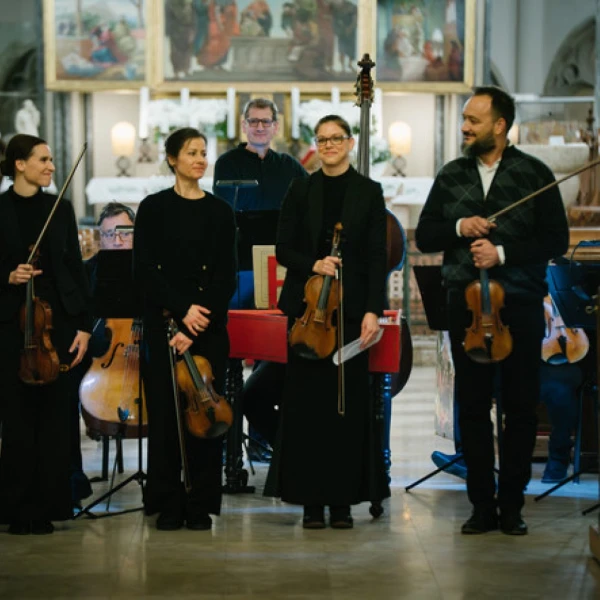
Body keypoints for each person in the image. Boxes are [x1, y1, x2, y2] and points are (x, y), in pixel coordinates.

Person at [415, 86, 569, 536]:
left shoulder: (534, 173)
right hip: (465, 307)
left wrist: (501, 253)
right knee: (472, 405)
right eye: (464, 119)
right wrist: (460, 226)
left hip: (518, 305)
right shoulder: (451, 175)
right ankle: (481, 505)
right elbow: (426, 235)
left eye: (474, 120)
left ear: (500, 126)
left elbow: (555, 240)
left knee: (520, 406)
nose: (465, 127)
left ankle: (512, 504)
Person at [264, 114, 390, 529]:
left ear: (350, 143)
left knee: (346, 409)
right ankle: (310, 502)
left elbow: (376, 256)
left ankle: (342, 502)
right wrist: (314, 263)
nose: (329, 145)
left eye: (336, 138)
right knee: (307, 410)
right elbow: (283, 248)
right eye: (322, 140)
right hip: (308, 314)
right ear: (316, 146)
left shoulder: (368, 192)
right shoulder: (300, 188)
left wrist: (373, 310)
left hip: (350, 314)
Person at [134, 127, 236, 531]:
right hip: (164, 325)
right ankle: (168, 501)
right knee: (166, 418)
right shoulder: (153, 208)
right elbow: (144, 271)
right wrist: (180, 311)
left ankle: (201, 503)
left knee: (205, 419)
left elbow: (226, 277)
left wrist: (195, 323)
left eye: (203, 152)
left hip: (206, 328)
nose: (200, 159)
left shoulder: (220, 211)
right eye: (191, 152)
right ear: (173, 159)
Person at [0, 134, 92, 534]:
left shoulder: (60, 207)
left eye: (52, 160)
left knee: (56, 421)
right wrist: (8, 276)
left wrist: (85, 325)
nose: (51, 166)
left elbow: (73, 267)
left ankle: (51, 505)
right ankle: (17, 508)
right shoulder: (1, 209)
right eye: (43, 159)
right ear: (19, 164)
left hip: (56, 325)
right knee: (17, 420)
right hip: (11, 324)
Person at [213, 98, 307, 455]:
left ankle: (260, 437)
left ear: (275, 126)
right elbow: (225, 213)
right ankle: (228, 439)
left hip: (280, 267)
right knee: (235, 348)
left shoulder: (291, 166)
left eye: (266, 122)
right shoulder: (228, 163)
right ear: (244, 125)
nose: (259, 127)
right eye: (253, 121)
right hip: (241, 266)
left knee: (273, 347)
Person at [69, 202, 136, 507]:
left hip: (140, 351)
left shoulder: (148, 269)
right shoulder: (87, 271)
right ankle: (72, 478)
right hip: (101, 354)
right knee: (67, 379)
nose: (117, 240)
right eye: (110, 234)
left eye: (125, 233)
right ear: (100, 238)